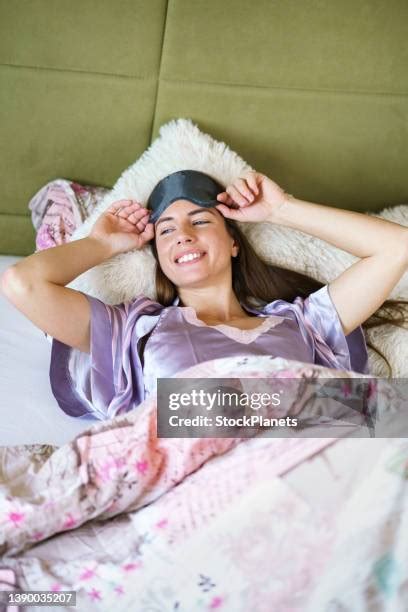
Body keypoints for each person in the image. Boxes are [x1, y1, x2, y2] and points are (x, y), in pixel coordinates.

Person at [1, 169, 407, 420]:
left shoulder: (303, 323)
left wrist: (281, 209)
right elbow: (23, 283)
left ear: (233, 242)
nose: (185, 236)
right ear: (159, 257)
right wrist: (102, 244)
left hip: (300, 466)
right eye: (167, 231)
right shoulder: (133, 330)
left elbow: (397, 248)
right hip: (192, 488)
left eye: (199, 220)